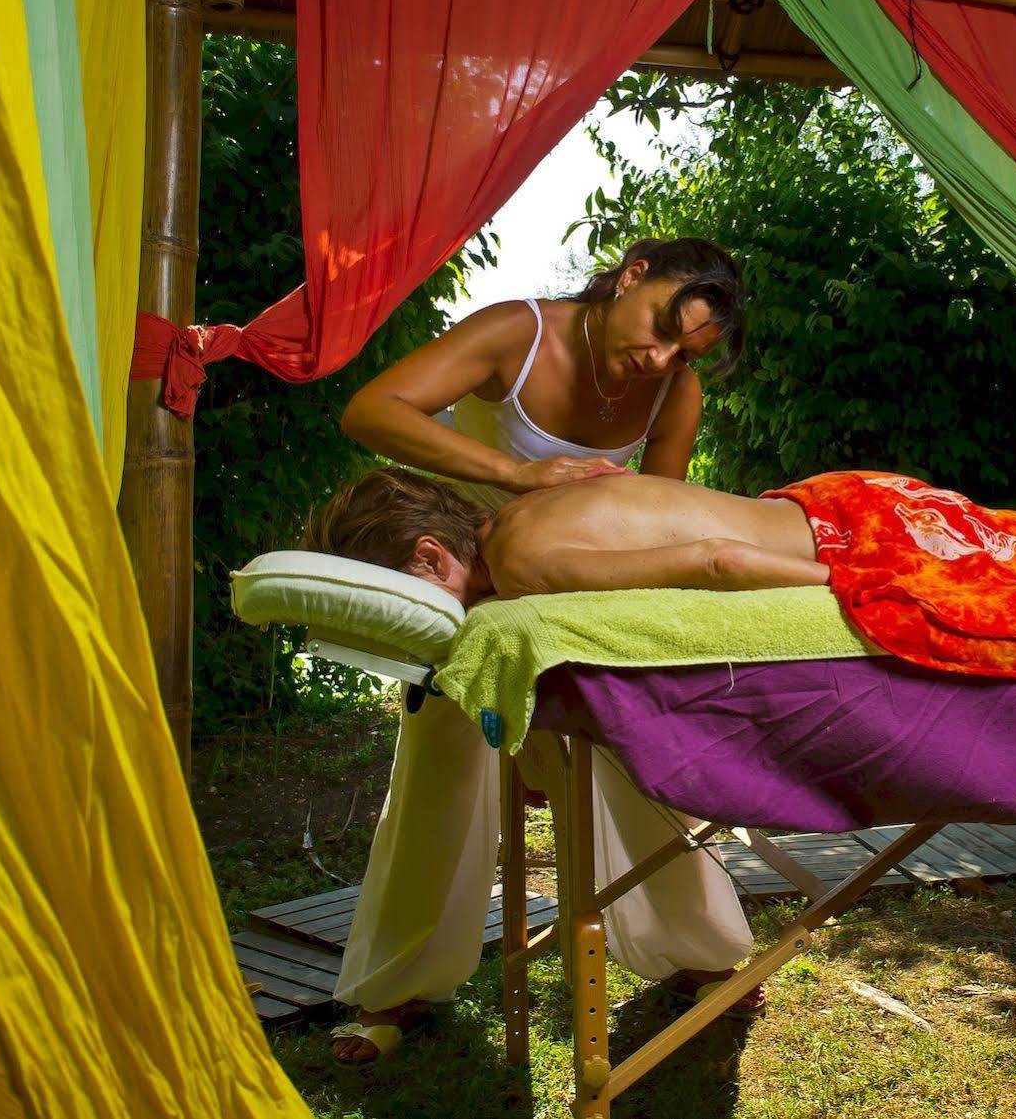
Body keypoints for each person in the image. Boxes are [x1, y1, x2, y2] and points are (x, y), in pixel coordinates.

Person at [324, 238, 760, 1064]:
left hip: (575, 594)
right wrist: (516, 474)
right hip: (469, 582)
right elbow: (372, 410)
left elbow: (660, 512)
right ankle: (402, 984)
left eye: (685, 350)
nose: (660, 357)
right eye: (663, 326)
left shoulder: (673, 390)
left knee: (629, 750)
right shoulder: (514, 335)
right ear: (632, 272)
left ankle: (697, 948)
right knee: (440, 764)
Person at [307, 465, 1016, 719]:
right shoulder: (530, 509)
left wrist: (863, 590)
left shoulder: (524, 568)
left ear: (427, 561)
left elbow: (713, 567)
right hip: (837, 496)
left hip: (842, 537)